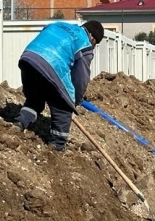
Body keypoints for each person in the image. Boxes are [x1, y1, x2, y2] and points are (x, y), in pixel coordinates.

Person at [14, 20, 104, 151]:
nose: (93, 46)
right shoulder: (84, 44)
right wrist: (74, 102)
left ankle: (18, 123)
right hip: (51, 64)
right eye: (95, 44)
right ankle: (56, 148)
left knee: (35, 99)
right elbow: (81, 78)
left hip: (29, 59)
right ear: (92, 37)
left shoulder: (58, 24)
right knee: (63, 108)